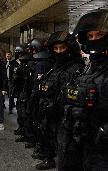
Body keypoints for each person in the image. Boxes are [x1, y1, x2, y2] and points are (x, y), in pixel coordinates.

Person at [61, 9, 108, 171]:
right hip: (83, 143)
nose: (94, 40)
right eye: (90, 36)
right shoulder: (89, 68)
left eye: (100, 35)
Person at [36, 31, 85, 170]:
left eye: (62, 48)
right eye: (56, 48)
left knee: (65, 153)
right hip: (52, 114)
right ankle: (50, 159)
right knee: (53, 142)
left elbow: (71, 95)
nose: (59, 51)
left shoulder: (76, 68)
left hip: (65, 117)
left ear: (69, 48)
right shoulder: (55, 67)